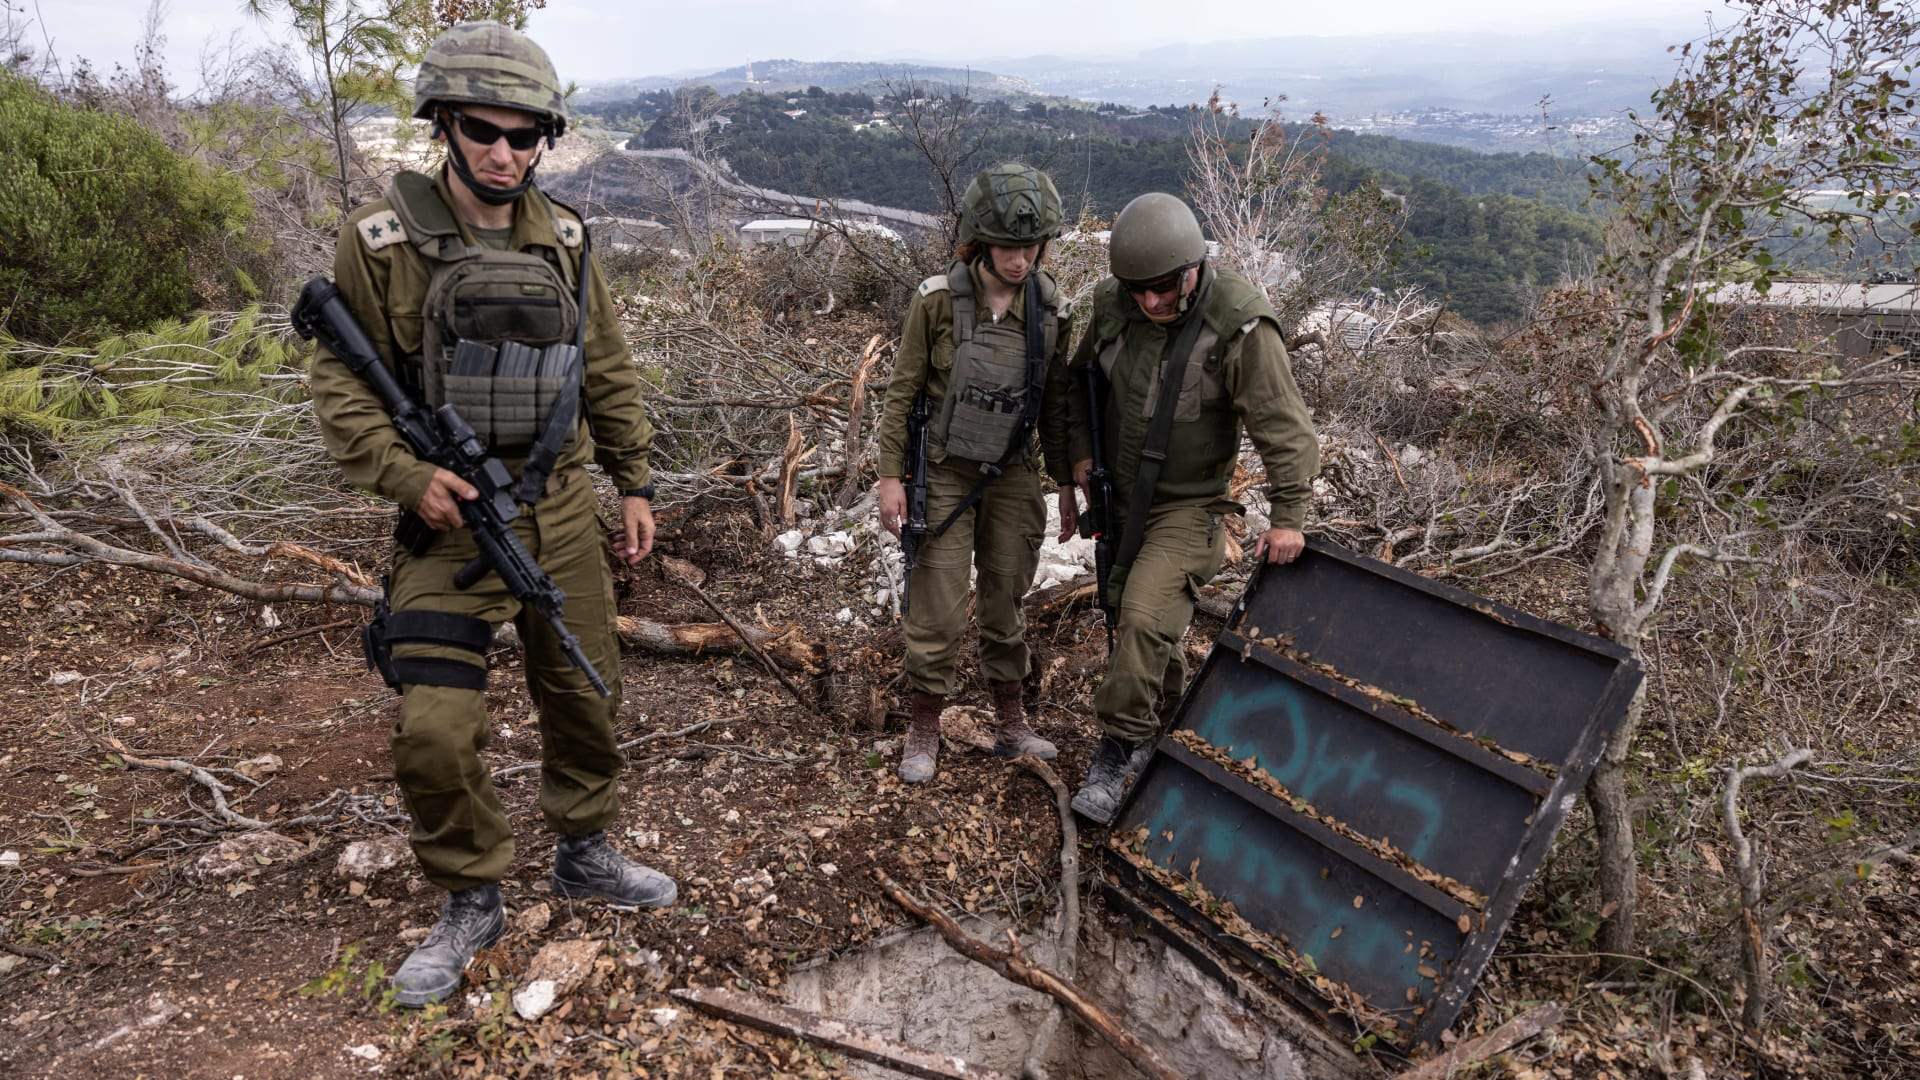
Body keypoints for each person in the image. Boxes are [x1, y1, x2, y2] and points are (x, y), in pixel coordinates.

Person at [307, 21, 676, 1008]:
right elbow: (341, 387)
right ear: (444, 126)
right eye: (483, 131)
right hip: (448, 522)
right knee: (432, 731)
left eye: (526, 136)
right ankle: (470, 892)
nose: (505, 153)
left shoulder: (564, 237)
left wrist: (632, 482)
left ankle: (585, 849)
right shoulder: (379, 246)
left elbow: (605, 366)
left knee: (587, 690)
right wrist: (404, 476)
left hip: (556, 505)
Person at [1055, 192, 1319, 824]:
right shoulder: (1113, 306)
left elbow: (1286, 428)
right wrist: (1077, 465)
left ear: (1195, 266)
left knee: (1144, 618)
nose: (1153, 302)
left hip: (1190, 505)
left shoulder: (1238, 324)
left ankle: (1118, 750)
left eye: (1166, 287)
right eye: (1140, 288)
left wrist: (1289, 516)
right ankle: (1171, 722)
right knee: (1130, 610)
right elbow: (1076, 385)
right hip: (1118, 496)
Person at [874, 162, 1075, 783]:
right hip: (944, 470)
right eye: (1009, 246)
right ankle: (924, 726)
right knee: (936, 606)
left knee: (1006, 595)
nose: (1020, 259)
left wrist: (1067, 482)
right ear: (980, 239)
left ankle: (1011, 723)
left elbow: (1056, 404)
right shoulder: (937, 302)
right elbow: (903, 392)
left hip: (1013, 470)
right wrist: (890, 477)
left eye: (1031, 246)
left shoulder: (1049, 307)